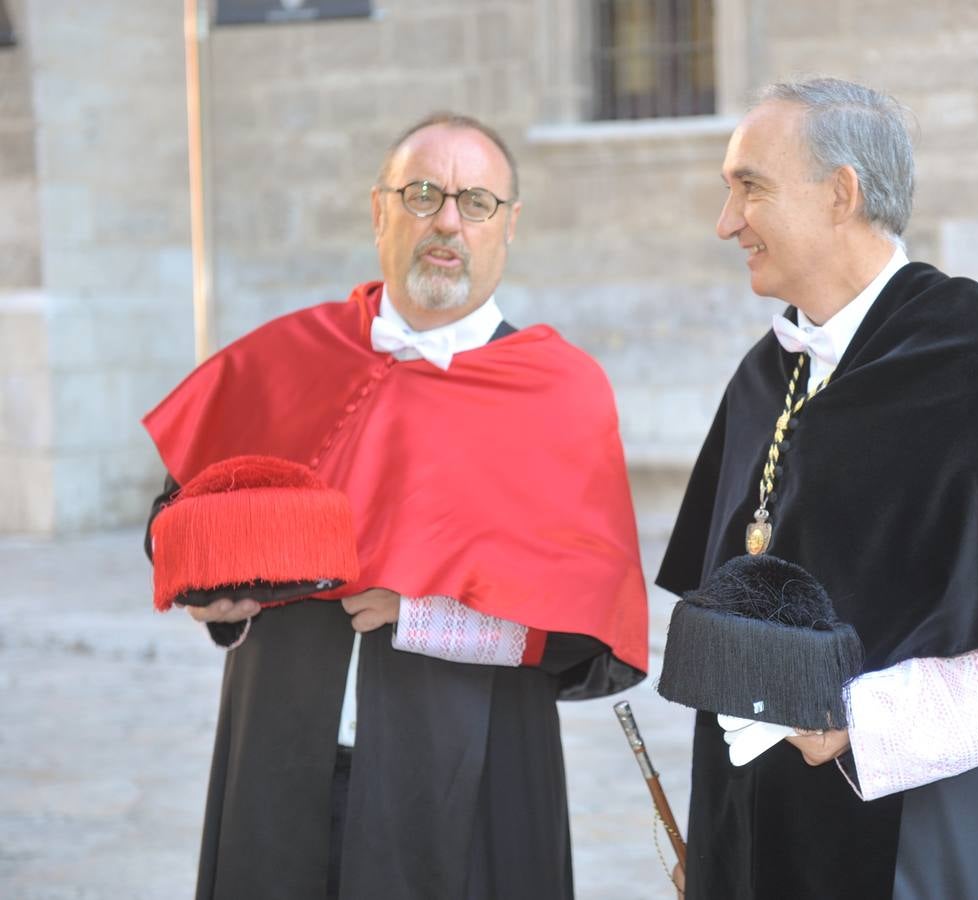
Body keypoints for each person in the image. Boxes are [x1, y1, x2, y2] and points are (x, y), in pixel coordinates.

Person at [656, 78, 978, 899]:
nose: (726, 221)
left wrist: (862, 721)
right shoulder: (766, 375)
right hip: (757, 835)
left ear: (840, 195)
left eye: (750, 187)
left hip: (915, 838)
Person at [142, 113, 648, 900]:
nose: (447, 220)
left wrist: (420, 616)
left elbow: (586, 633)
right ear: (380, 211)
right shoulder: (287, 357)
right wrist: (220, 596)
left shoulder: (562, 392)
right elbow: (180, 523)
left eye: (475, 202)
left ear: (508, 227)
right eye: (422, 194)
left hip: (466, 763)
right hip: (279, 750)